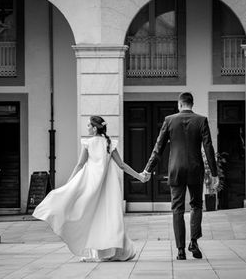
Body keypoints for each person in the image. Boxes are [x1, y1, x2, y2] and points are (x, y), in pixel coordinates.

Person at [33, 115, 149, 262]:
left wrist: (69, 184)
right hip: (107, 187)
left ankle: (99, 253)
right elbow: (122, 165)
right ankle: (113, 251)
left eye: (88, 125)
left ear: (94, 128)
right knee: (108, 217)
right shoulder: (109, 143)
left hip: (89, 184)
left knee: (91, 215)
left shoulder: (88, 143)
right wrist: (139, 176)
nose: (87, 127)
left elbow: (80, 165)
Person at [141, 92, 218, 260]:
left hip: (176, 169)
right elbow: (208, 147)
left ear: (180, 104)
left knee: (177, 209)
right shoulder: (201, 120)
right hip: (195, 169)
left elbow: (158, 147)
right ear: (192, 103)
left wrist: (148, 169)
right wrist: (214, 173)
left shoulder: (169, 120)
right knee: (197, 205)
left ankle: (181, 250)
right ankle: (194, 242)